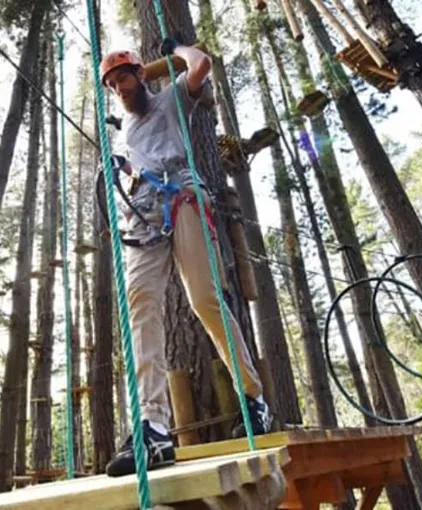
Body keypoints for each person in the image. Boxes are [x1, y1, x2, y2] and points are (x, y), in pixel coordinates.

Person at [99, 39, 273, 478]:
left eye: (123, 79)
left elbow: (201, 64)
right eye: (112, 84)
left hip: (183, 196)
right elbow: (136, 164)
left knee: (204, 300)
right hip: (143, 209)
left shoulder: (171, 98)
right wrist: (122, 169)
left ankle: (253, 398)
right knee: (141, 305)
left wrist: (176, 48)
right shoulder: (126, 129)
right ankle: (153, 426)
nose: (119, 88)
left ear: (140, 75)